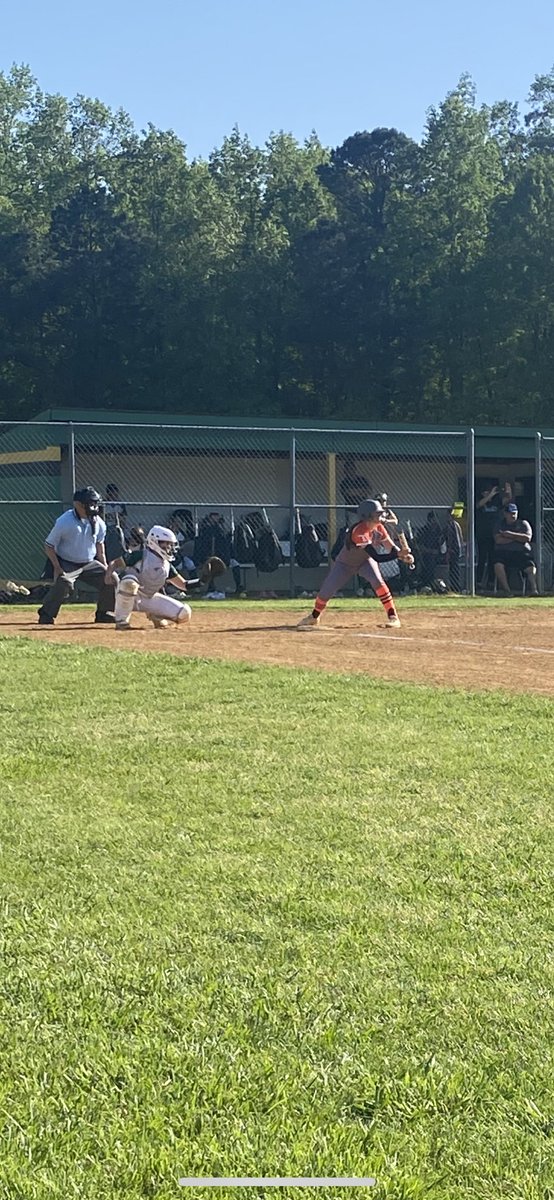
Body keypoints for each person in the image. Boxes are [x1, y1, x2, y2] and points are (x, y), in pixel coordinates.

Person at [297, 498, 414, 630]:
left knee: (378, 582)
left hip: (365, 561)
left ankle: (393, 617)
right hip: (345, 563)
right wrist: (398, 554)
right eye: (378, 514)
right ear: (367, 516)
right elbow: (377, 557)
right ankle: (314, 617)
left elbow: (390, 548)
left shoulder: (379, 528)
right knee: (326, 590)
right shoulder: (359, 531)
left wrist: (403, 555)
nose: (381, 516)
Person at [37, 487, 115, 626]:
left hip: (89, 563)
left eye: (95, 503)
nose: (93, 507)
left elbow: (99, 546)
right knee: (64, 581)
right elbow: (49, 545)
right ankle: (46, 613)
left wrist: (106, 566)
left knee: (111, 578)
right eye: (89, 503)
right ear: (78, 504)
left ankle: (104, 613)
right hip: (67, 562)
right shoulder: (65, 521)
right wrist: (57, 567)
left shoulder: (99, 523)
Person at [106, 525, 193, 631]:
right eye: (165, 543)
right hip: (126, 595)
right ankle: (122, 620)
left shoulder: (166, 565)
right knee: (129, 583)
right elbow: (115, 562)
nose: (169, 547)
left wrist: (203, 580)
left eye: (170, 544)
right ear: (155, 541)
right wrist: (109, 573)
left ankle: (155, 615)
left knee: (184, 613)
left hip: (148, 598)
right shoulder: (140, 556)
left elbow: (183, 585)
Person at [493, 503, 539, 596]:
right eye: (510, 513)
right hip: (504, 553)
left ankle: (534, 590)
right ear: (505, 514)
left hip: (521, 553)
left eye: (514, 513)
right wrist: (518, 538)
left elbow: (527, 538)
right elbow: (498, 540)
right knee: (498, 565)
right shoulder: (500, 524)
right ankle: (507, 592)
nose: (513, 515)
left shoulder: (523, 523)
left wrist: (510, 535)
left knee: (531, 567)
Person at [476, 482, 511, 589]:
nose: (489, 493)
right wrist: (490, 495)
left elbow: (507, 500)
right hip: (482, 535)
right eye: (486, 492)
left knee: (492, 558)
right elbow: (479, 505)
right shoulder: (480, 501)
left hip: (494, 535)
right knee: (482, 558)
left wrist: (509, 491)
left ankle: (491, 582)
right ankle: (478, 582)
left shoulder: (497, 502)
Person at [445, 506, 464, 593]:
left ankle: (455, 586)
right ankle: (454, 586)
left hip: (454, 549)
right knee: (453, 568)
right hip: (456, 549)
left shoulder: (452, 524)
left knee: (454, 568)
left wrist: (449, 550)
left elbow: (452, 539)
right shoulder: (455, 524)